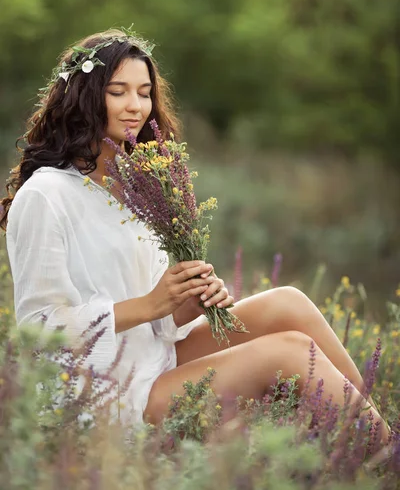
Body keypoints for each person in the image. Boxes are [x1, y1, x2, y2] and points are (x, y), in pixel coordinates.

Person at [1, 28, 390, 458]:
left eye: (145, 93)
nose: (136, 106)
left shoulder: (133, 186)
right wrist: (151, 304)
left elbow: (160, 321)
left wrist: (186, 301)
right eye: (118, 91)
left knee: (289, 304)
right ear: (83, 97)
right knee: (290, 352)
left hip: (152, 357)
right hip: (105, 392)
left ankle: (372, 431)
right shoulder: (46, 195)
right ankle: (385, 459)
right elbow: (39, 331)